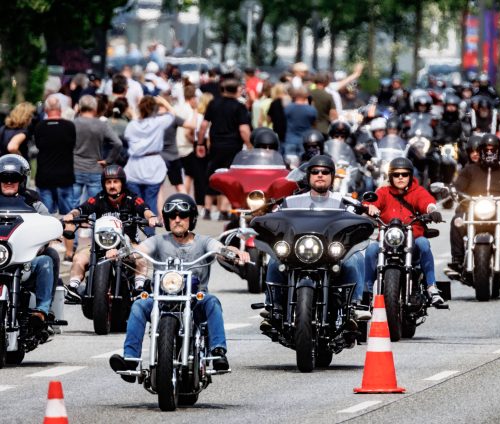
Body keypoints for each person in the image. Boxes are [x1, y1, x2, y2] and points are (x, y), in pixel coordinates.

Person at [108, 193, 250, 380]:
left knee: (212, 302)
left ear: (191, 219)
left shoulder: (203, 241)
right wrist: (121, 252)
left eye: (182, 216)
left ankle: (217, 353)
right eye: (172, 217)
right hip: (162, 298)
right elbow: (139, 251)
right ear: (167, 220)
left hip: (195, 298)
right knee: (138, 305)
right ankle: (131, 359)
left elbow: (220, 248)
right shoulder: (159, 241)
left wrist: (235, 252)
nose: (177, 220)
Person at [260, 155, 369, 331]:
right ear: (308, 176)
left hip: (331, 253)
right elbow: (275, 216)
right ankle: (273, 307)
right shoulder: (291, 201)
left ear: (332, 176)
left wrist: (367, 211)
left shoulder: (344, 201)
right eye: (315, 172)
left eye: (325, 172)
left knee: (354, 258)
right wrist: (264, 214)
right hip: (299, 252)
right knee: (274, 260)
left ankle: (354, 307)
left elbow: (360, 215)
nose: (320, 175)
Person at [62, 165, 159, 299]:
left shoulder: (131, 197)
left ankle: (139, 288)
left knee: (140, 256)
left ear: (122, 183)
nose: (112, 185)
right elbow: (82, 208)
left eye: (115, 181)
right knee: (79, 258)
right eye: (108, 182)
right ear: (104, 184)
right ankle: (73, 287)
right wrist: (71, 215)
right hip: (100, 244)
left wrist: (151, 217)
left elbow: (144, 209)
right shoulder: (99, 198)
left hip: (127, 245)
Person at [363, 157, 446, 306]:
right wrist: (370, 206)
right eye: (396, 174)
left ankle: (432, 288)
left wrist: (432, 210)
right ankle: (366, 293)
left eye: (404, 174)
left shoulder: (417, 191)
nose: (400, 177)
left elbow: (427, 202)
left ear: (410, 176)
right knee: (371, 249)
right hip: (387, 240)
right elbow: (371, 201)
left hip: (412, 239)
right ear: (390, 176)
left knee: (424, 243)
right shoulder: (383, 192)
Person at [450, 134, 500, 278]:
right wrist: (453, 190)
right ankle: (457, 260)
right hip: (475, 212)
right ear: (481, 151)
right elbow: (458, 185)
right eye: (486, 149)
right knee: (457, 220)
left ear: (499, 151)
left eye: (493, 149)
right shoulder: (470, 170)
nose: (490, 152)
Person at [0, 155, 55, 325]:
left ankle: (42, 310)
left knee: (48, 258)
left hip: (25, 258)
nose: (9, 182)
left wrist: (43, 242)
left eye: (14, 178)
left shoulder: (32, 200)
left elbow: (48, 221)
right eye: (4, 178)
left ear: (22, 180)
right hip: (2, 254)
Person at [197, 79, 252, 219]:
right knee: (229, 178)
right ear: (236, 90)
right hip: (233, 147)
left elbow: (203, 126)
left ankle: (207, 209)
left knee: (212, 175)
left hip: (215, 146)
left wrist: (200, 143)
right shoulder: (239, 107)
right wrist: (251, 146)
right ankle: (223, 210)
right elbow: (244, 130)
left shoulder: (213, 104)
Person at [123, 96, 175, 225]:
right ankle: (149, 235)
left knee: (134, 202)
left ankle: (132, 234)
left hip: (135, 166)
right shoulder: (158, 122)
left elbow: (128, 135)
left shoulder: (133, 125)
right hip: (153, 164)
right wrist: (164, 101)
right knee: (151, 202)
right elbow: (172, 115)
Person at [73, 95, 123, 204]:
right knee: (95, 204)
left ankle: (73, 221)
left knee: (73, 204)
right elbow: (118, 143)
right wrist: (108, 160)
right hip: (95, 167)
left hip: (75, 167)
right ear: (95, 108)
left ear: (80, 107)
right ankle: (93, 221)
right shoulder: (101, 125)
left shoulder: (73, 124)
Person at [33, 95, 76, 215]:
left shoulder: (39, 127)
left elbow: (38, 145)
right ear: (60, 109)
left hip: (44, 176)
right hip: (65, 176)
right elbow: (72, 145)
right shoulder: (69, 126)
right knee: (69, 217)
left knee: (46, 217)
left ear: (46, 110)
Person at [283, 86, 317, 166]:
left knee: (289, 165)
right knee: (304, 165)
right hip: (305, 140)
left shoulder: (288, 108)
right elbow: (314, 123)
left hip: (290, 139)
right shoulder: (311, 109)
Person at [310, 72, 338, 136]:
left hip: (310, 128)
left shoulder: (308, 94)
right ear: (326, 82)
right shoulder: (328, 96)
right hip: (324, 129)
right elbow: (334, 115)